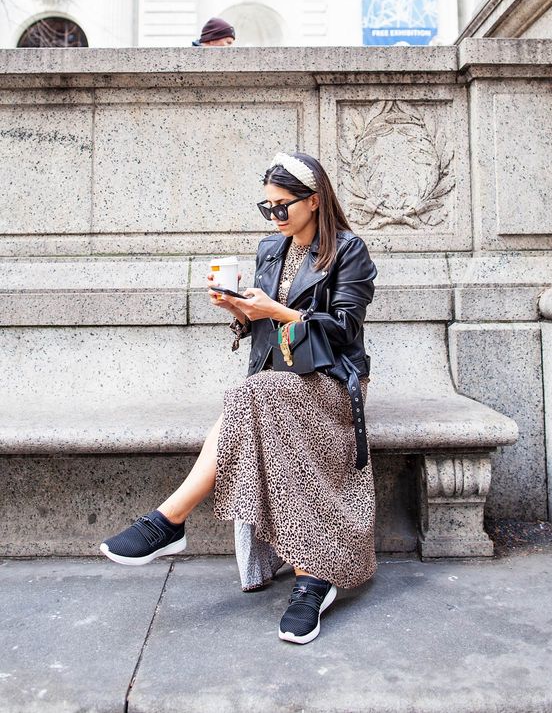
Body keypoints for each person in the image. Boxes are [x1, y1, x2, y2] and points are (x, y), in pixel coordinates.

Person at [100, 152, 378, 645]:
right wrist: (240, 310)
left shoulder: (349, 251)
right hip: (274, 383)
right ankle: (311, 582)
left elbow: (344, 330)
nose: (274, 216)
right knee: (255, 395)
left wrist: (278, 310)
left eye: (282, 205)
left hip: (330, 384)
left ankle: (168, 521)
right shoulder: (271, 249)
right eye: (267, 206)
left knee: (249, 396)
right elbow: (261, 327)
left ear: (315, 201)